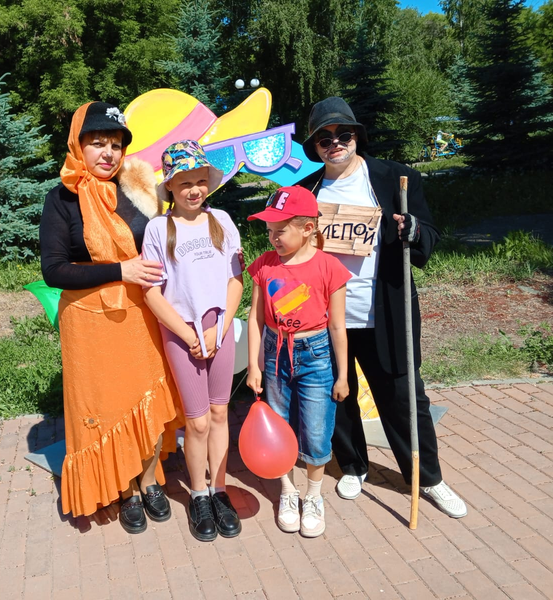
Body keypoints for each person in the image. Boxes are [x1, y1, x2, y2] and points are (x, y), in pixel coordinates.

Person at [296, 96, 467, 518]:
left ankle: (428, 478)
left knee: (404, 398)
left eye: (343, 134)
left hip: (384, 312)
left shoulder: (396, 179)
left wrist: (412, 230)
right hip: (327, 316)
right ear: (315, 147)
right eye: (324, 139)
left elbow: (429, 236)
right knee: (338, 395)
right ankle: (354, 465)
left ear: (357, 136)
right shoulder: (306, 192)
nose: (335, 144)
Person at [39, 101, 182, 534]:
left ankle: (148, 479)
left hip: (141, 315)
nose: (108, 153)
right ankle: (124, 489)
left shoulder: (137, 190)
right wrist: (121, 270)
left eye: (116, 145)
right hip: (88, 324)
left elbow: (166, 240)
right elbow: (54, 270)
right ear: (77, 145)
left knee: (147, 398)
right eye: (97, 143)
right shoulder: (61, 199)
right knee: (105, 408)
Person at [142, 140, 244, 542]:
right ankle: (198, 494)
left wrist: (219, 329)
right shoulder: (158, 229)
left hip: (218, 329)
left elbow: (235, 280)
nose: (194, 190)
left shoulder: (221, 220)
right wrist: (187, 335)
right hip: (181, 333)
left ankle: (219, 490)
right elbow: (152, 293)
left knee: (219, 414)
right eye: (185, 183)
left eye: (200, 181)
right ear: (170, 185)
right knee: (197, 421)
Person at [246, 186, 351, 537]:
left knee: (316, 429)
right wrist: (254, 365)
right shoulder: (264, 265)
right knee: (279, 425)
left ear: (307, 228)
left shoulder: (329, 267)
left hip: (316, 355)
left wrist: (343, 374)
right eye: (269, 231)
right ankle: (288, 491)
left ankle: (313, 495)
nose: (273, 238)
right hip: (276, 353)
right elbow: (255, 318)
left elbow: (337, 325)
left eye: (280, 230)